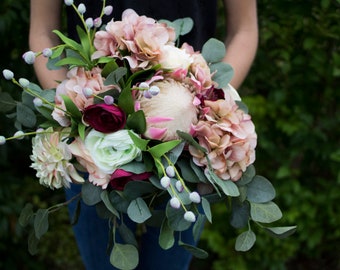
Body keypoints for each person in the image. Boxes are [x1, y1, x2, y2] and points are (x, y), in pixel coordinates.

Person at [29, 0, 258, 269]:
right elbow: (43, 30)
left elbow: (244, 30)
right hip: (93, 146)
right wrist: (74, 110)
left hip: (186, 152)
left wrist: (208, 104)